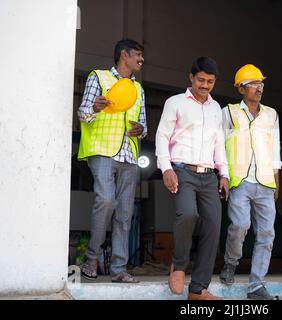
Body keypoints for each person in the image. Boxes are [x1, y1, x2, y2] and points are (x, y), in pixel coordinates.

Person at [155, 57, 229, 300]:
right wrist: (166, 168)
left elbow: (219, 143)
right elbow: (162, 136)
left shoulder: (215, 108)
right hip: (182, 170)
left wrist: (224, 174)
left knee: (213, 225)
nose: (205, 85)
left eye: (210, 81)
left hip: (208, 175)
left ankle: (198, 289)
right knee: (188, 214)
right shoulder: (175, 103)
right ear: (191, 77)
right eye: (201, 80)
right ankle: (178, 265)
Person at [77, 39, 147, 283]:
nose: (141, 59)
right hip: (103, 150)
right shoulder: (99, 77)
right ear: (123, 55)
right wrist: (96, 108)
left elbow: (144, 124)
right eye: (137, 54)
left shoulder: (139, 89)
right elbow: (83, 113)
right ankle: (92, 258)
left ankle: (119, 269)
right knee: (106, 201)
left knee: (125, 213)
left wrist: (141, 129)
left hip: (129, 155)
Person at [219, 64, 281, 300]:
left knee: (267, 233)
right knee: (240, 226)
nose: (259, 88)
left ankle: (257, 285)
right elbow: (220, 145)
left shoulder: (271, 114)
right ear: (241, 89)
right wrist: (223, 175)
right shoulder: (229, 113)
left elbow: (274, 147)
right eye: (254, 84)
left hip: (265, 181)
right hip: (240, 179)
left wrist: (276, 180)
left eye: (261, 83)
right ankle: (230, 261)